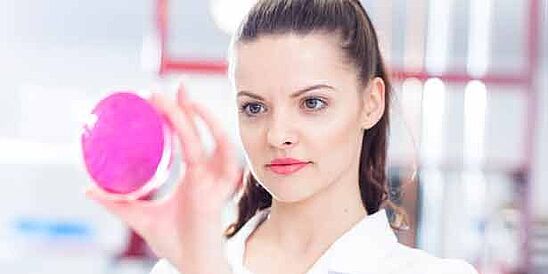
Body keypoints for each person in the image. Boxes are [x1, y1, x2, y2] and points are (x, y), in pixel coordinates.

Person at [87, 0, 479, 273]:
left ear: (370, 103)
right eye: (254, 108)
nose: (277, 135)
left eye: (312, 103)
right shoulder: (182, 267)